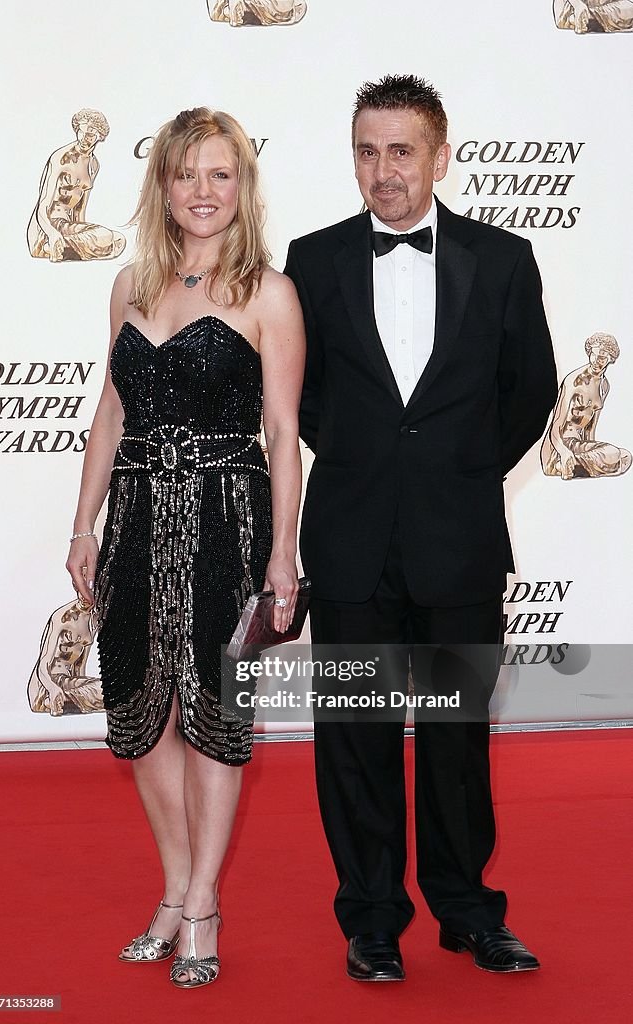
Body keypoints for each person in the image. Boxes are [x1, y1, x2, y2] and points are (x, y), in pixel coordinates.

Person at [284, 74, 557, 981]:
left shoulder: (505, 257)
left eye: (401, 151)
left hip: (459, 539)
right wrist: (373, 461)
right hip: (352, 541)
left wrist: (460, 470)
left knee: (455, 741)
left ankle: (469, 911)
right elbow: (300, 400)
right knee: (355, 743)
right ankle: (370, 919)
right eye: (366, 151)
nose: (382, 170)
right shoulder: (311, 261)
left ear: (441, 156)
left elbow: (532, 391)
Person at [66, 106, 304, 989]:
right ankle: (173, 887)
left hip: (226, 520)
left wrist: (282, 552)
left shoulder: (269, 294)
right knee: (139, 715)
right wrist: (83, 523)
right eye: (186, 174)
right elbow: (109, 414)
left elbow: (283, 434)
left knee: (213, 719)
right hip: (132, 516)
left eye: (221, 174)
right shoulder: (129, 284)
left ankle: (203, 902)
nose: (203, 192)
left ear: (242, 186)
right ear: (161, 185)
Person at [27, 109, 126, 262]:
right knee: (105, 238)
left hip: (67, 227)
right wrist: (52, 234)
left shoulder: (93, 165)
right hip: (46, 229)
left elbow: (79, 211)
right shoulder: (60, 158)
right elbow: (43, 205)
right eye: (82, 132)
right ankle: (51, 245)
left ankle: (63, 249)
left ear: (100, 137)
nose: (85, 139)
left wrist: (85, 236)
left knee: (119, 240)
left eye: (91, 135)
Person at [541, 332, 631, 478]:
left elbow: (590, 430)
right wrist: (564, 453)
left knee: (626, 457)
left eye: (602, 357)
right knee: (613, 454)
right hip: (559, 448)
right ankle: (561, 464)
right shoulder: (574, 381)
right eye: (593, 355)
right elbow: (555, 425)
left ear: (611, 359)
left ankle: (572, 467)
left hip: (578, 446)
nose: (596, 361)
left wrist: (594, 453)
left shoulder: (604, 386)